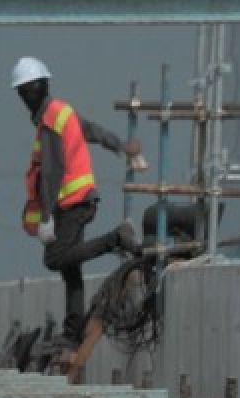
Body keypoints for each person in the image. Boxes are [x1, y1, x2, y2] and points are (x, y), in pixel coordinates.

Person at [12, 56, 147, 346]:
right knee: (70, 269)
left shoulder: (50, 120)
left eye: (25, 92)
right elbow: (93, 131)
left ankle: (116, 239)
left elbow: (52, 171)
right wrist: (121, 146)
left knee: (56, 258)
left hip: (72, 203)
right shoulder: (63, 112)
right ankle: (73, 333)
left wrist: (46, 217)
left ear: (26, 93)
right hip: (78, 200)